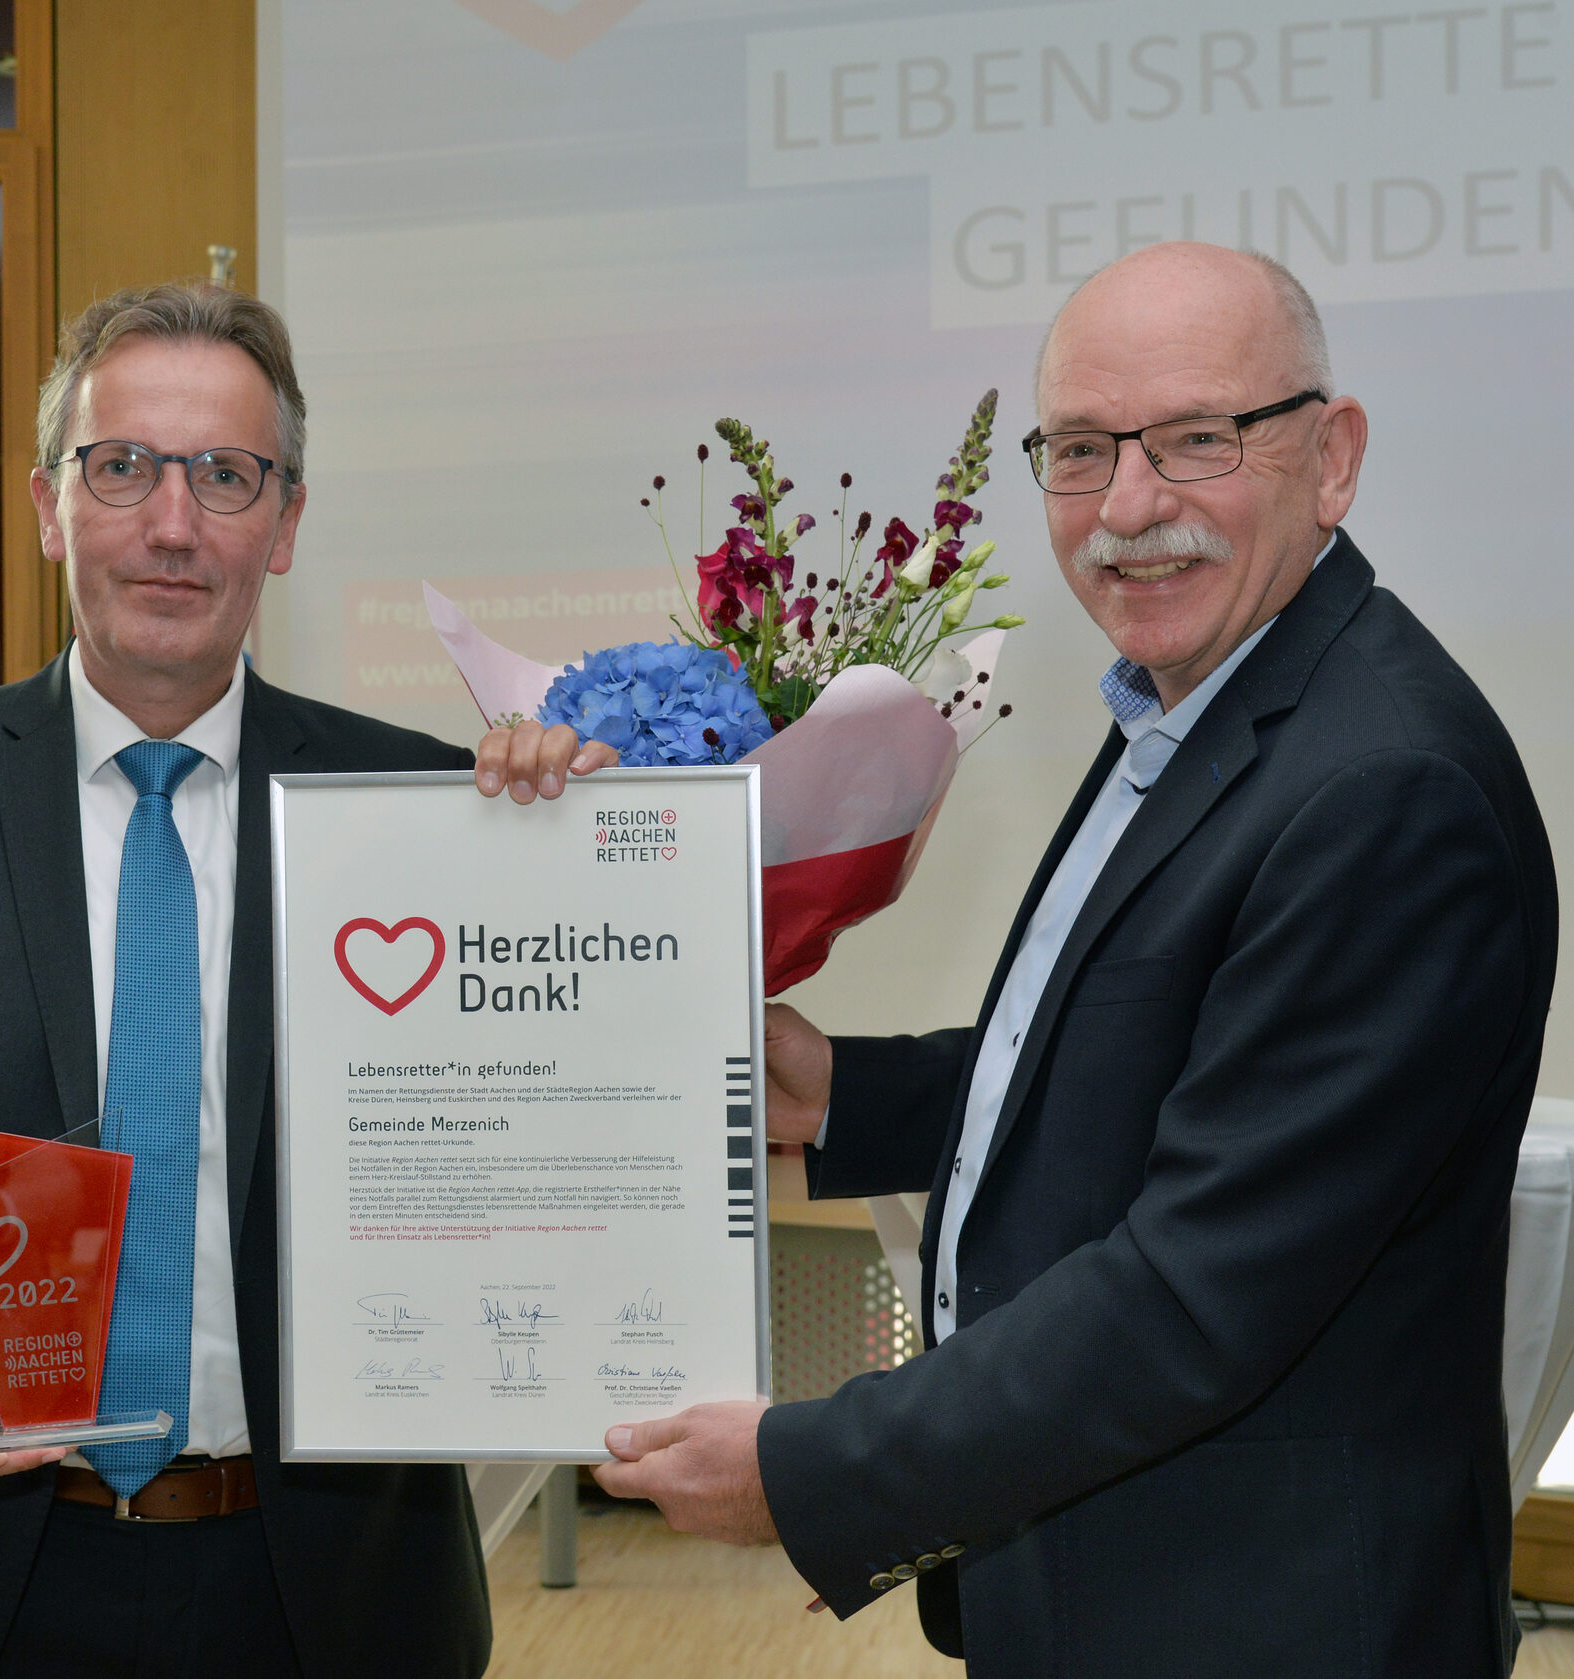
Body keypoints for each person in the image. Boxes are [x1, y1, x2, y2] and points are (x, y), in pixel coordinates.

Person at [595, 242, 1559, 1678]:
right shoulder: (1207, 700)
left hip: (1261, 1623)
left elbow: (1193, 1293)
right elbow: (1151, 1061)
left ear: (1333, 458)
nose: (1128, 508)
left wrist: (811, 1473)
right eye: (1084, 449)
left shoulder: (1383, 786)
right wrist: (848, 1093)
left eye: (1198, 439)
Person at [0, 280, 610, 1679]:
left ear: (287, 524)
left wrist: (580, 848)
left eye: (227, 476)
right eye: (123, 466)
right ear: (49, 506)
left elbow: (556, 1137)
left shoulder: (420, 811)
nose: (174, 524)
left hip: (326, 1594)